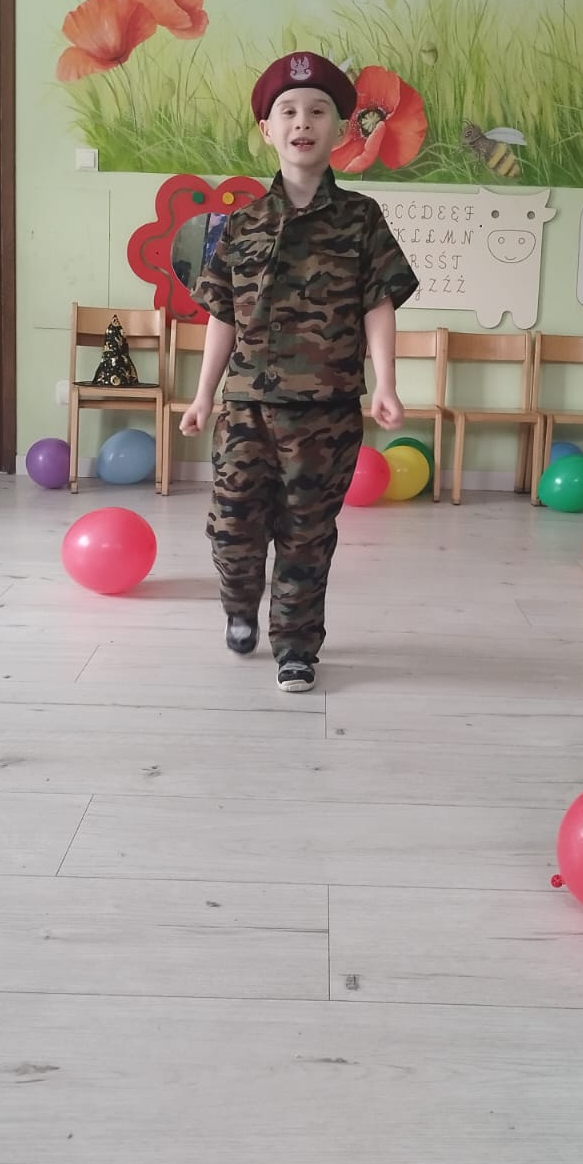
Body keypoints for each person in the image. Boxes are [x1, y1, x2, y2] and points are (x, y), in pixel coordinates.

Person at [179, 51, 418, 692]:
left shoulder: (360, 218)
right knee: (232, 528)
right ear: (268, 130)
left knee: (307, 537)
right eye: (287, 111)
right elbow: (222, 314)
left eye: (317, 111)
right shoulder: (242, 223)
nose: (302, 122)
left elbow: (379, 301)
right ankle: (239, 605)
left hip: (326, 411)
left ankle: (295, 646)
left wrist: (387, 383)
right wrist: (202, 396)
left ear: (340, 131)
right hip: (246, 408)